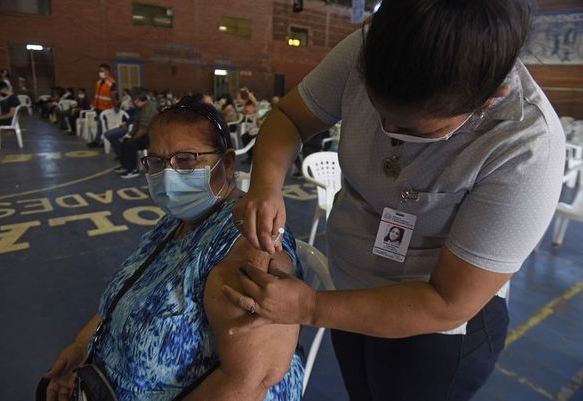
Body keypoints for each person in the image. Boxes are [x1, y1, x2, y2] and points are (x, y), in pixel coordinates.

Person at [223, 1, 565, 401]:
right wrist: (265, 184)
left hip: (434, 331)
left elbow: (446, 302)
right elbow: (291, 117)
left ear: (489, 99)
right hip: (347, 287)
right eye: (377, 109)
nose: (390, 134)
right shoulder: (374, 51)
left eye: (415, 129)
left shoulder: (526, 148)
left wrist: (313, 308)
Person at [42, 98, 304, 401]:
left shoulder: (249, 243)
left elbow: (250, 382)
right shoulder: (175, 223)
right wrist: (82, 349)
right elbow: (128, 292)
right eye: (156, 162)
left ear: (228, 162)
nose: (168, 175)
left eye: (186, 160)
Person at [115, 88, 158, 178]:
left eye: (131, 100)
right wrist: (130, 134)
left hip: (152, 138)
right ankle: (125, 166)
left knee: (130, 144)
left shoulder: (148, 109)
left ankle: (133, 170)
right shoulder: (142, 107)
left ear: (137, 100)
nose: (130, 101)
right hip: (146, 135)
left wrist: (133, 138)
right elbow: (137, 124)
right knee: (125, 141)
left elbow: (143, 129)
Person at [88, 63, 118, 147]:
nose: (100, 72)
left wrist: (115, 106)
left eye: (102, 71)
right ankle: (102, 141)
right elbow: (97, 95)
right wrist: (94, 105)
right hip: (98, 107)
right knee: (100, 125)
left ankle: (99, 141)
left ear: (107, 71)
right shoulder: (98, 82)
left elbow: (113, 96)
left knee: (103, 125)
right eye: (99, 71)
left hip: (107, 108)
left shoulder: (112, 83)